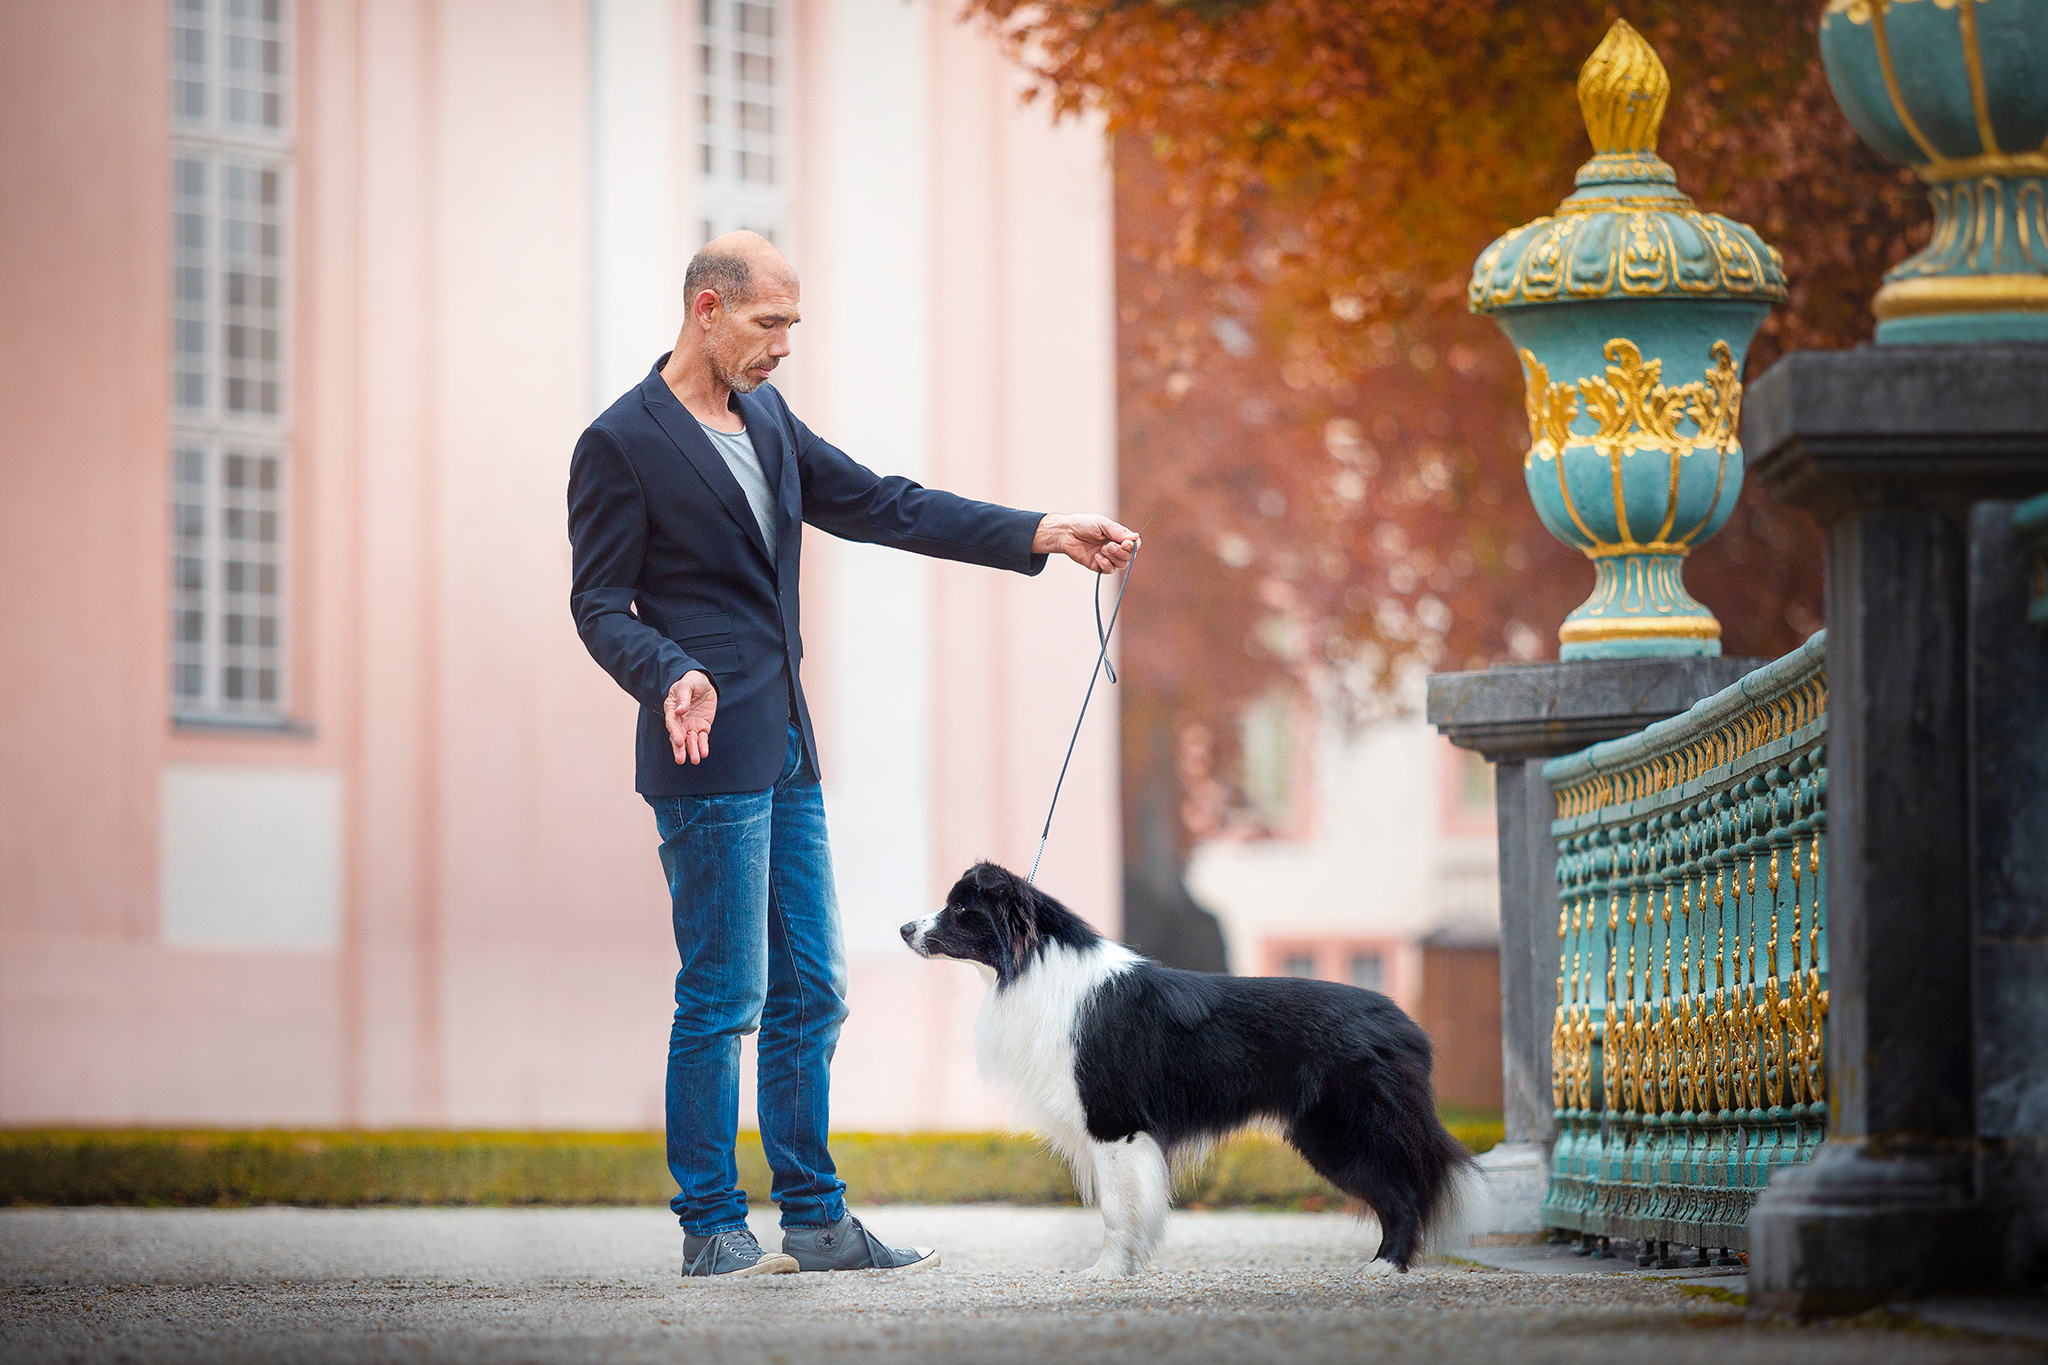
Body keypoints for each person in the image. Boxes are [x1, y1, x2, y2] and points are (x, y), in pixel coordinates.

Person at [567, 232, 1137, 1278]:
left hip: (786, 741)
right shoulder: (620, 442)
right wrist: (666, 670)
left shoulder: (768, 420)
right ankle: (710, 1229)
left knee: (813, 991)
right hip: (703, 750)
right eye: (768, 323)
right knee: (723, 994)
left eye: (793, 323)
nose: (786, 345)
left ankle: (818, 1222)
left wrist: (1040, 530)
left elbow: (882, 502)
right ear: (706, 309)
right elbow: (598, 603)